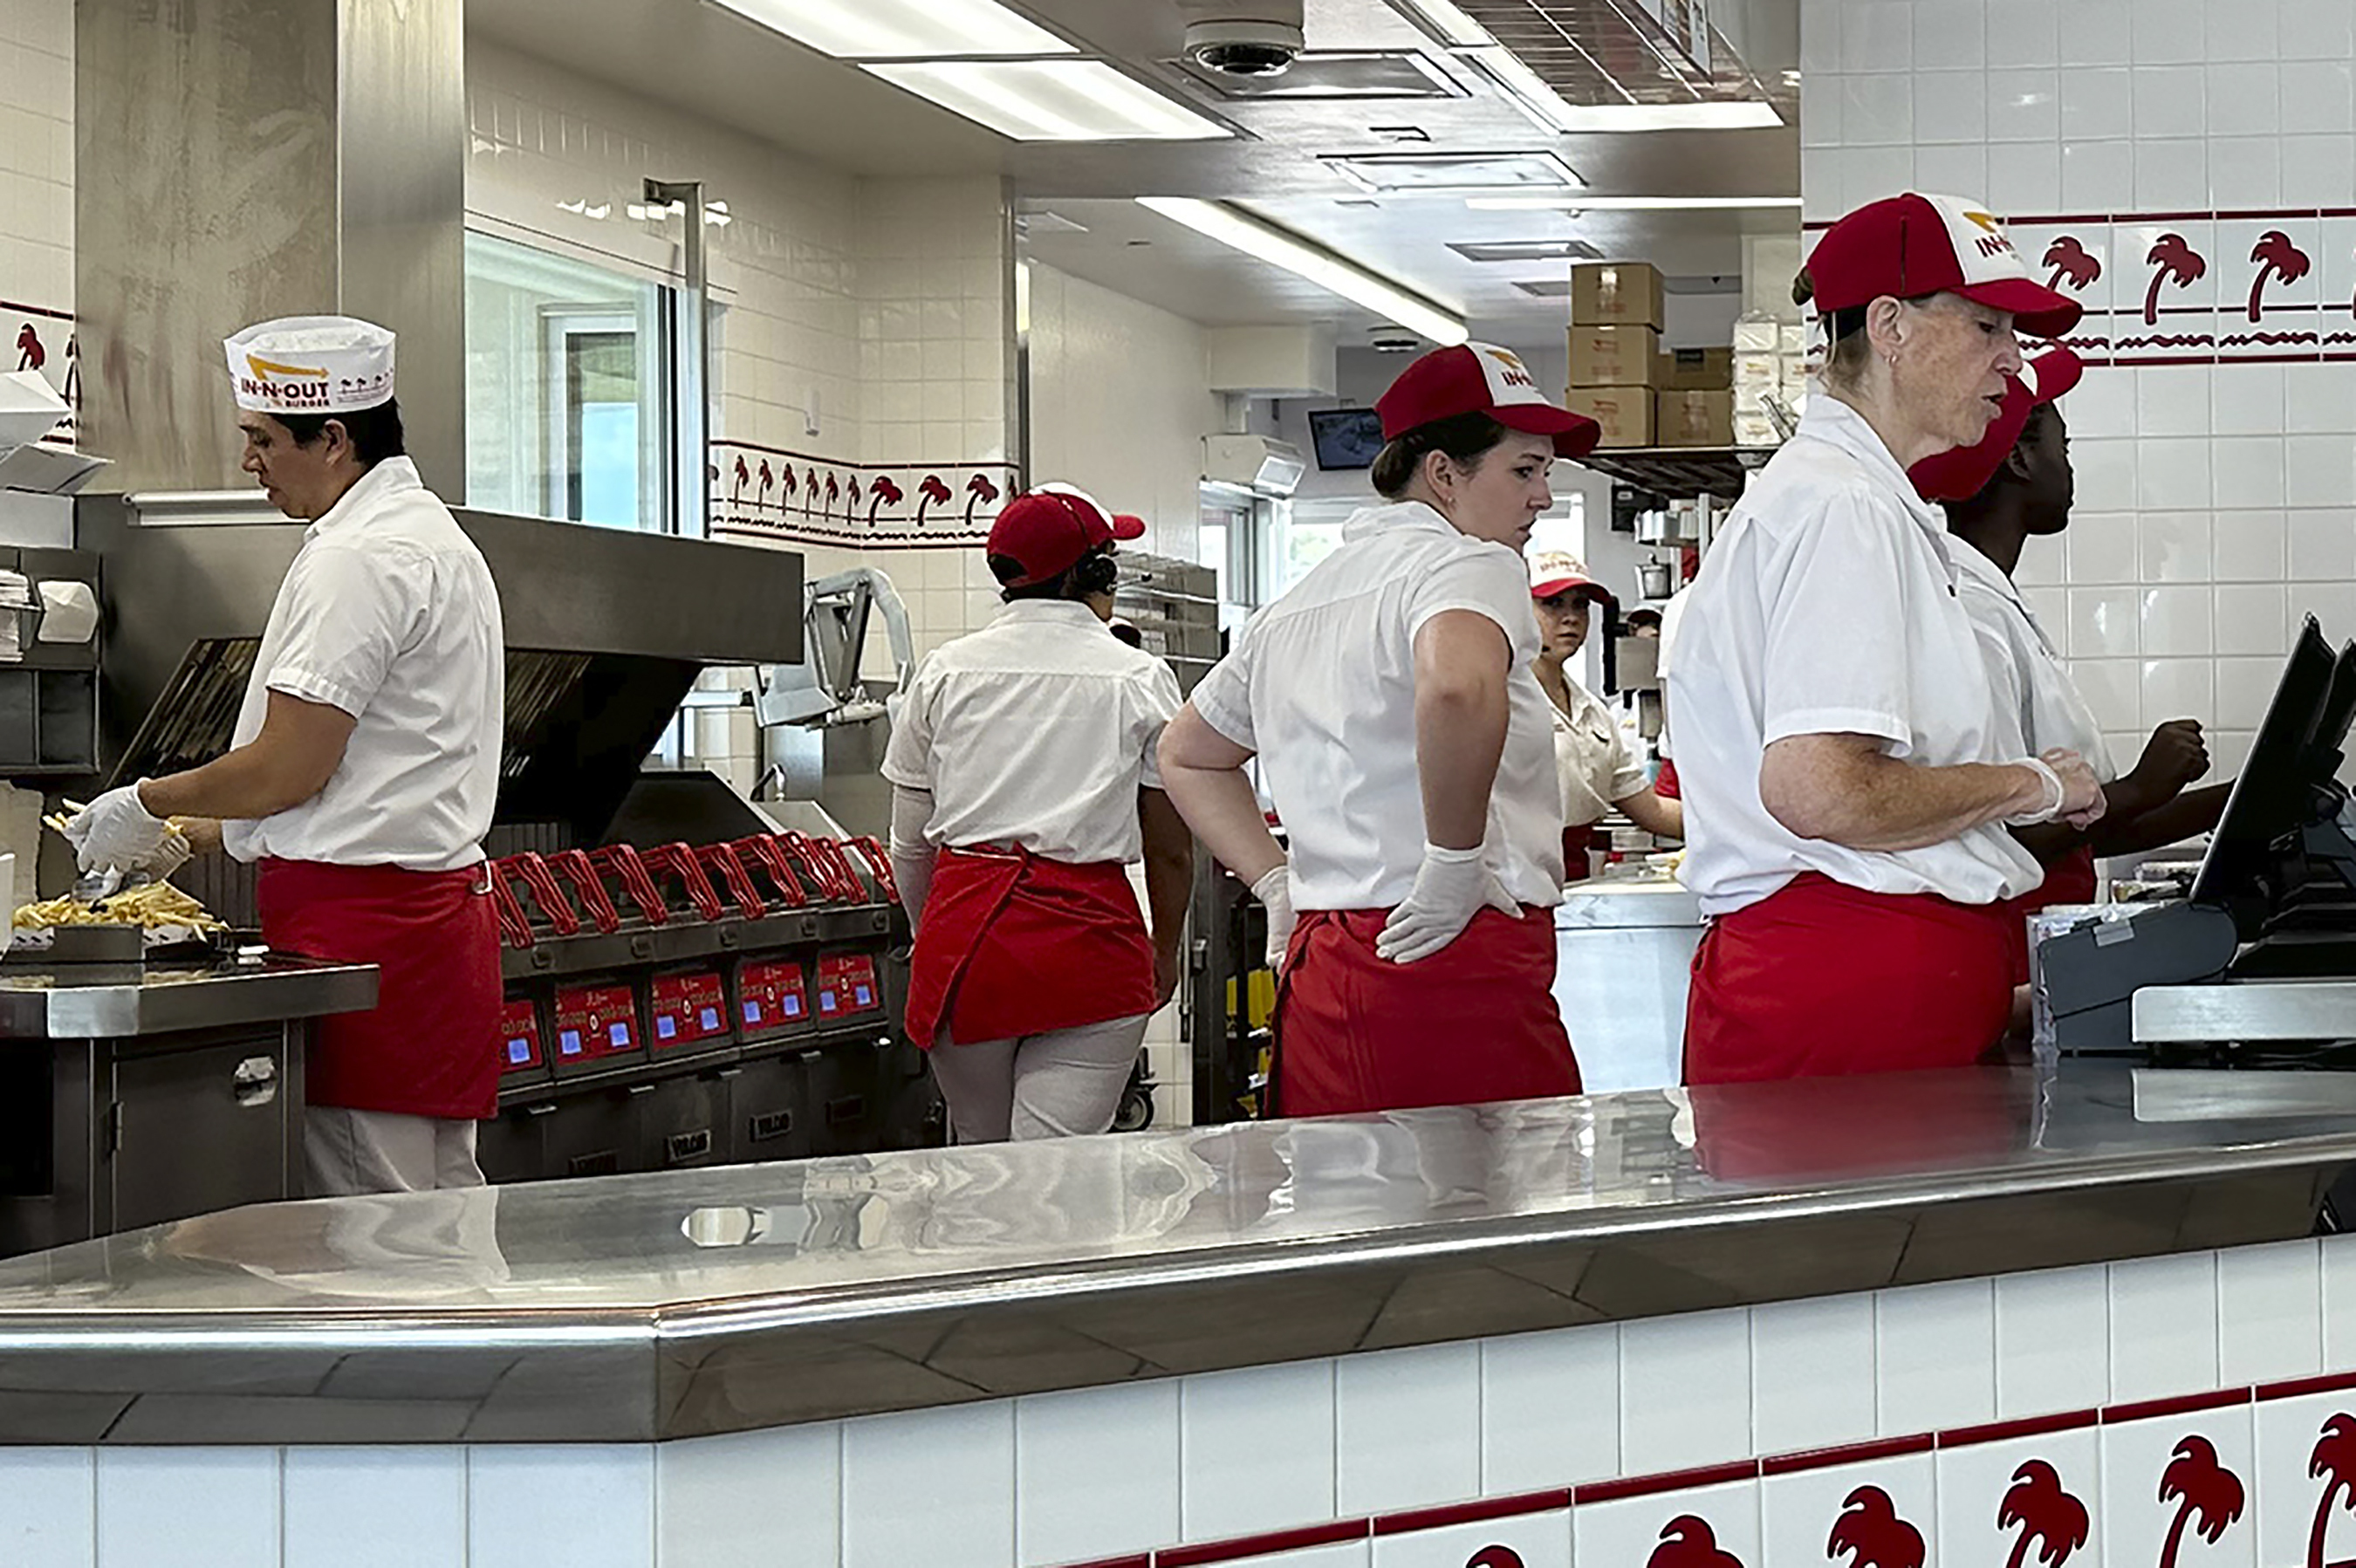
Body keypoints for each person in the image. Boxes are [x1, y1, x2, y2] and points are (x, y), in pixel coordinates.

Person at [1664, 192, 2106, 1087]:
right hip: (1845, 985)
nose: (2013, 361)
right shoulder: (1844, 507)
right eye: (1987, 327)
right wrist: (2034, 783)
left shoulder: (1865, 502)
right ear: (1891, 327)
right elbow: (1820, 789)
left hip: (1874, 978)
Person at [66, 316, 505, 1193]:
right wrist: (198, 833)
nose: (248, 461)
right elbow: (370, 766)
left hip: (365, 939)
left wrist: (145, 800)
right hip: (428, 935)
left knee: (372, 1230)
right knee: (435, 1216)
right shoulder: (429, 537)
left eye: (263, 439)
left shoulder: (360, 559)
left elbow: (289, 767)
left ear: (334, 439)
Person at [1158, 342, 1595, 1116]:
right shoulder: (1470, 565)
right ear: (1443, 474)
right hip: (1450, 951)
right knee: (1503, 1185)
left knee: (1347, 1185)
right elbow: (1456, 687)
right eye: (1525, 470)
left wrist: (1276, 882)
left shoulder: (1297, 604)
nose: (1543, 497)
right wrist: (1453, 862)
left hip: (1327, 964)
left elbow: (1188, 754)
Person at [883, 484, 1193, 1142]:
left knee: (981, 1157)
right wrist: (1164, 949)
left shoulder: (943, 673)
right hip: (1090, 944)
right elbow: (1170, 846)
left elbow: (909, 846)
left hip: (966, 946)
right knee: (1059, 1168)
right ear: (1096, 573)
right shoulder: (1138, 677)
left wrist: (928, 938)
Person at [1914, 344, 2226, 921]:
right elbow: (2002, 836)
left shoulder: (1996, 601)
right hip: (2007, 933)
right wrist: (2140, 786)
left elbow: (2090, 830)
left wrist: (2246, 797)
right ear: (2020, 459)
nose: (2070, 467)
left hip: (2040, 920)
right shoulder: (1972, 615)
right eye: (2065, 446)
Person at [1525, 551, 1681, 881]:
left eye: (1580, 605)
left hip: (1573, 875)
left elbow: (1652, 810)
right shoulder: (1504, 700)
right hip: (1515, 876)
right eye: (1553, 604)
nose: (1571, 617)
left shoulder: (1593, 713)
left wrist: (1742, 824)